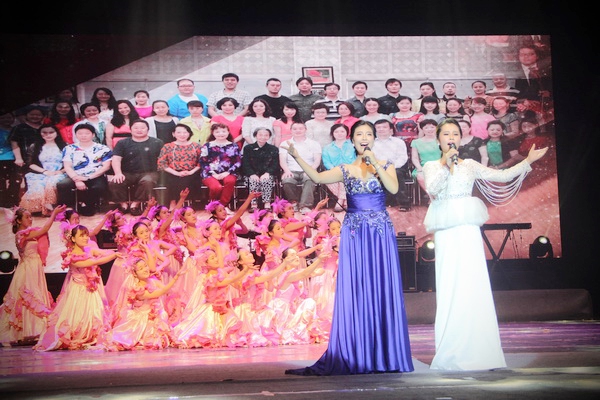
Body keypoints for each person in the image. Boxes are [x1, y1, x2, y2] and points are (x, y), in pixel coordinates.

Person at [282, 120, 413, 375]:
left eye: (368, 134)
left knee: (381, 284)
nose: (364, 137)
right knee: (357, 284)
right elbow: (317, 177)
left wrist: (375, 163)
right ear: (352, 141)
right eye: (359, 134)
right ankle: (356, 350)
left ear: (373, 139)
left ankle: (385, 353)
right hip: (355, 231)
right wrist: (296, 156)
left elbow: (393, 188)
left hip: (379, 231)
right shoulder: (345, 169)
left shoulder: (385, 165)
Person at [422, 118, 547, 370]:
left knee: (472, 280)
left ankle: (480, 348)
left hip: (468, 227)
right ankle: (451, 350)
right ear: (438, 140)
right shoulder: (431, 165)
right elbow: (434, 189)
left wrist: (528, 161)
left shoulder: (469, 164)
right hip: (446, 229)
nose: (451, 138)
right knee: (450, 283)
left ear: (461, 138)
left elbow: (502, 175)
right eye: (446, 134)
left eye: (455, 134)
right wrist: (446, 163)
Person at [34, 224, 122, 351]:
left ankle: (91, 335)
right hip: (79, 292)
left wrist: (116, 252)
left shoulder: (88, 250)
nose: (86, 238)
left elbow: (102, 253)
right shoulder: (72, 256)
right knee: (77, 318)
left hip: (92, 290)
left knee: (95, 316)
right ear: (73, 239)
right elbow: (93, 262)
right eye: (82, 235)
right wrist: (113, 256)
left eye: (86, 235)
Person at [0, 205, 66, 346]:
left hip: (35, 268)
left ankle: (37, 330)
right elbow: (44, 229)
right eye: (27, 217)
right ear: (19, 221)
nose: (30, 219)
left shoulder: (29, 233)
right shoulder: (21, 234)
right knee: (29, 297)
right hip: (28, 270)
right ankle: (27, 331)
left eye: (31, 216)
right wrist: (54, 214)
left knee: (37, 296)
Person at [108, 119, 164, 215]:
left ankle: (135, 204)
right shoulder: (122, 143)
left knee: (147, 182)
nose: (139, 130)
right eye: (136, 128)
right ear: (130, 129)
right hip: (127, 172)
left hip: (149, 172)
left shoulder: (157, 142)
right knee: (115, 182)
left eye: (142, 128)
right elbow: (116, 159)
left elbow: (163, 159)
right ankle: (123, 204)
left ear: (148, 129)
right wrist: (118, 173)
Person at [57, 124, 113, 216]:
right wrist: (77, 179)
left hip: (96, 175)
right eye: (80, 133)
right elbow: (67, 166)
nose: (83, 136)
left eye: (87, 133)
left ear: (93, 135)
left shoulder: (103, 148)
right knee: (63, 184)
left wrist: (88, 178)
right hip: (75, 175)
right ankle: (68, 207)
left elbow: (106, 166)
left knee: (98, 187)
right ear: (76, 135)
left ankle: (89, 205)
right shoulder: (69, 148)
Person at [19, 124, 67, 216]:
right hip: (39, 173)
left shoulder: (64, 146)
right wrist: (45, 172)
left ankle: (51, 208)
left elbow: (70, 163)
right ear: (40, 133)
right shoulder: (34, 146)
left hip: (59, 173)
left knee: (51, 184)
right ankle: (37, 209)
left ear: (57, 133)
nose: (48, 135)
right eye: (44, 133)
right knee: (37, 185)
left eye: (51, 132)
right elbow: (30, 163)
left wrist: (61, 171)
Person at [279, 122, 322, 215]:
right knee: (287, 180)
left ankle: (305, 206)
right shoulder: (285, 143)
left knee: (310, 179)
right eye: (295, 129)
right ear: (291, 130)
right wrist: (286, 171)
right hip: (291, 170)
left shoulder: (314, 144)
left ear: (305, 130)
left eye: (301, 128)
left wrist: (310, 171)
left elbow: (317, 161)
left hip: (308, 169)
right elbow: (282, 161)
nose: (298, 131)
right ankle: (293, 203)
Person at [199, 123, 242, 212]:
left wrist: (227, 172)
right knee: (216, 187)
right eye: (217, 132)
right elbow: (203, 162)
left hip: (229, 172)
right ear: (213, 133)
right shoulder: (207, 146)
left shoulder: (234, 146)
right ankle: (213, 205)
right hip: (210, 173)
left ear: (228, 132)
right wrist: (213, 173)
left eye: (223, 131)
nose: (221, 134)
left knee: (230, 181)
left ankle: (223, 206)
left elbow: (238, 162)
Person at [157, 124, 202, 207]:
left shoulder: (196, 146)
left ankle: (188, 204)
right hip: (172, 172)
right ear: (173, 134)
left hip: (192, 172)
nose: (182, 135)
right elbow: (161, 163)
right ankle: (173, 203)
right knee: (172, 180)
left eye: (185, 132)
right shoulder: (167, 146)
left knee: (190, 180)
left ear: (189, 133)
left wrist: (191, 172)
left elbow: (201, 162)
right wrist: (176, 173)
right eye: (179, 132)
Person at [372, 119, 411, 211]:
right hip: (376, 168)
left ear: (390, 129)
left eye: (384, 127)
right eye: (378, 127)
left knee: (396, 173)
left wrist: (390, 167)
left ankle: (404, 203)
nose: (381, 129)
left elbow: (402, 158)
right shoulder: (372, 143)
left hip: (395, 167)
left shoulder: (398, 142)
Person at [241, 127, 280, 209]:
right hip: (251, 174)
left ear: (269, 137)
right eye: (260, 135)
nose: (263, 137)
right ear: (255, 136)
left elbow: (275, 164)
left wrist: (267, 173)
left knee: (266, 180)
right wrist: (252, 174)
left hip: (267, 173)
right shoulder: (248, 148)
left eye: (266, 135)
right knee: (253, 180)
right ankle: (253, 204)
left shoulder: (273, 149)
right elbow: (245, 163)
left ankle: (267, 203)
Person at [322, 123, 356, 211]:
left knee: (344, 176)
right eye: (336, 132)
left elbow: (357, 159)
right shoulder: (327, 148)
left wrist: (347, 168)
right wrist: (336, 169)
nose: (339, 134)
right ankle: (346, 200)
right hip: (333, 171)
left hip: (352, 171)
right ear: (332, 133)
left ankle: (340, 201)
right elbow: (326, 162)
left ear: (347, 133)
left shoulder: (354, 145)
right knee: (336, 176)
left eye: (342, 131)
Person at [411, 119, 442, 196]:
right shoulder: (416, 142)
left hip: (440, 165)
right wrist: (419, 168)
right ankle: (432, 196)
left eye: (432, 127)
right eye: (426, 128)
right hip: (424, 166)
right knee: (420, 176)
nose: (429, 129)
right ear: (422, 129)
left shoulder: (442, 140)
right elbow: (415, 158)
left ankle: (436, 197)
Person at [0, 110, 19, 207]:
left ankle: (12, 202)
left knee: (14, 181)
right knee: (1, 182)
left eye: (9, 117)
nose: (6, 120)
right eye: (3, 118)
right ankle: (2, 203)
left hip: (14, 159)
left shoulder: (16, 129)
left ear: (13, 118)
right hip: (1, 159)